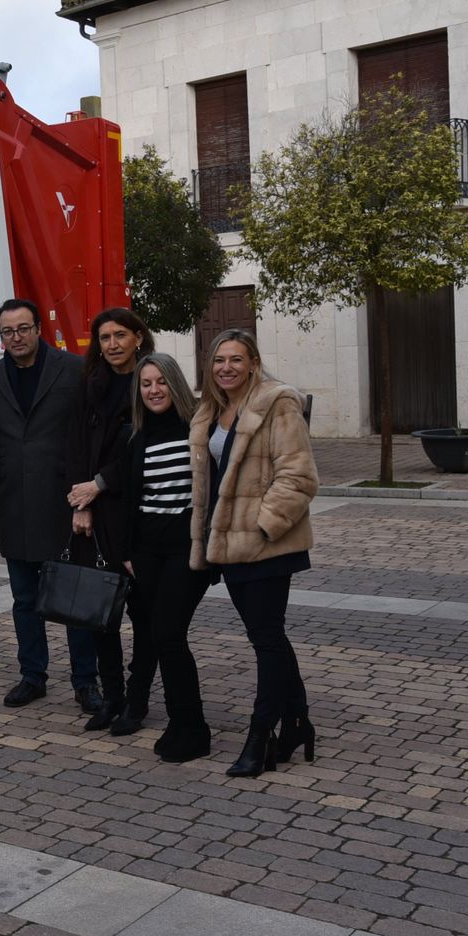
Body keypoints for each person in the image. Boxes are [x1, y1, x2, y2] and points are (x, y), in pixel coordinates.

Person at [190, 329, 318, 777]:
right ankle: (298, 721)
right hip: (230, 548)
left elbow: (298, 477)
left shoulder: (278, 403)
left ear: (254, 362)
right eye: (219, 360)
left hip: (266, 546)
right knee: (269, 637)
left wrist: (263, 527)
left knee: (266, 640)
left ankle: (260, 736)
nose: (226, 367)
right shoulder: (214, 409)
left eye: (236, 359)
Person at [0, 299, 102, 714]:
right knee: (24, 599)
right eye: (8, 331)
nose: (16, 337)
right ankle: (33, 675)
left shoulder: (73, 368)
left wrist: (86, 495)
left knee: (73, 600)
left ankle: (86, 680)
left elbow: (90, 432)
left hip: (66, 503)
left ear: (37, 329)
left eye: (23, 329)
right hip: (16, 506)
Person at [113, 353, 212, 762]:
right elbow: (127, 499)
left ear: (176, 383)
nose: (154, 390)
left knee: (169, 633)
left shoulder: (199, 430)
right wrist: (127, 552)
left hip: (187, 553)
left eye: (161, 382)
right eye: (146, 384)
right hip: (146, 553)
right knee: (158, 636)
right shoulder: (135, 435)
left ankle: (194, 728)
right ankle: (178, 722)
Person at [65, 307, 155, 733]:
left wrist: (100, 484)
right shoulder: (89, 385)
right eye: (104, 337)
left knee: (143, 614)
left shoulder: (153, 382)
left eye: (121, 335)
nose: (113, 344)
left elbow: (147, 452)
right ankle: (111, 697)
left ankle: (136, 703)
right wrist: (82, 503)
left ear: (139, 337)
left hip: (137, 514)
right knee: (101, 615)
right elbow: (76, 448)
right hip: (95, 517)